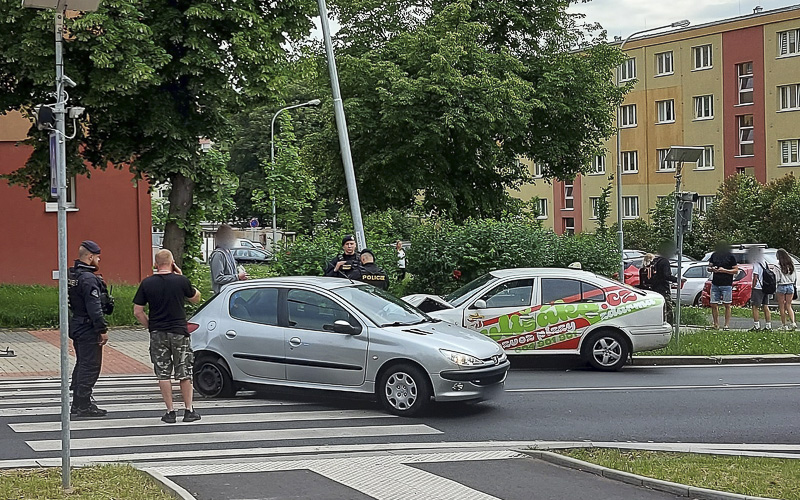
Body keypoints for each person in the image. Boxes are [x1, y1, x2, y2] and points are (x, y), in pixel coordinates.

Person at [133, 249, 202, 423]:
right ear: (172, 263)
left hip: (158, 333)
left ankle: (170, 412)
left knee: (163, 373)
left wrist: (151, 326)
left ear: (156, 265)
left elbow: (138, 312)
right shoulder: (181, 281)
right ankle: (189, 410)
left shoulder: (147, 283)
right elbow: (196, 298)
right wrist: (182, 276)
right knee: (184, 372)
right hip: (179, 332)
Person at [68, 240, 111, 417]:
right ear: (90, 256)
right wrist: (102, 329)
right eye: (97, 257)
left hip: (77, 323)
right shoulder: (88, 279)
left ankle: (78, 402)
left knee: (82, 363)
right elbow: (94, 306)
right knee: (90, 366)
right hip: (87, 327)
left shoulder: (74, 275)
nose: (99, 260)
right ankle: (82, 404)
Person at [641, 244, 678, 323]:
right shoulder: (664, 261)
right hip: (663, 288)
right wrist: (677, 280)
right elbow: (666, 275)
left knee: (657, 309)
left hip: (653, 289)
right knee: (668, 310)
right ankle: (669, 327)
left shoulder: (654, 261)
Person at [708, 241, 739, 330]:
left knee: (727, 304)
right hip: (715, 283)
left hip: (727, 284)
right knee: (713, 304)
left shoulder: (730, 256)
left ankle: (726, 325)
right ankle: (716, 324)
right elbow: (709, 267)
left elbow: (736, 270)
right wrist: (712, 269)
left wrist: (724, 270)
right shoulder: (714, 255)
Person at [209, 224, 247, 294]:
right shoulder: (218, 254)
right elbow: (218, 278)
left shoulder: (228, 251)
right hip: (222, 294)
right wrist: (237, 277)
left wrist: (240, 274)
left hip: (232, 292)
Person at [748, 246, 773, 331]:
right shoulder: (765, 263)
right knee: (765, 306)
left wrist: (753, 286)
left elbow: (755, 276)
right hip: (765, 287)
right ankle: (768, 325)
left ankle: (756, 325)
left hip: (758, 287)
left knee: (755, 307)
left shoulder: (756, 264)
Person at [774, 248, 796, 331]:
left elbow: (777, 278)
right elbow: (795, 277)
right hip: (790, 286)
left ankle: (784, 324)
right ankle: (793, 322)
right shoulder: (791, 265)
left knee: (782, 306)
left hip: (781, 286)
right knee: (789, 305)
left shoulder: (777, 265)